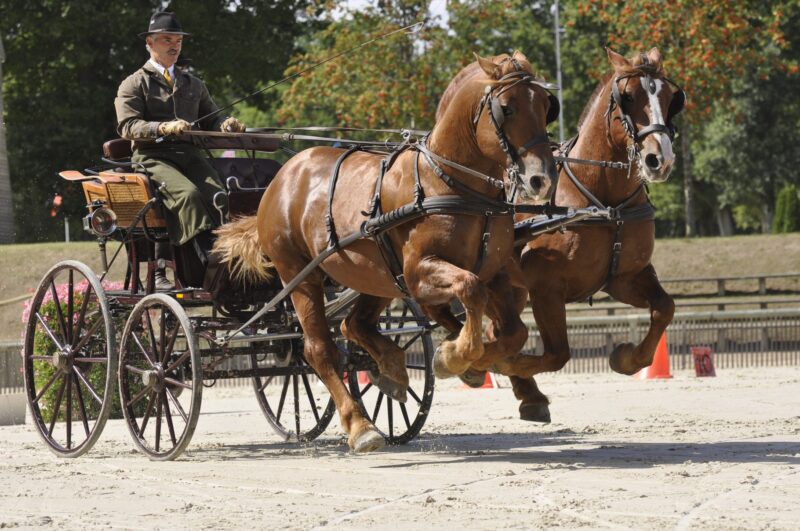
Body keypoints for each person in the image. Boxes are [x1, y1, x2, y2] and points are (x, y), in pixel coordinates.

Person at [114, 11, 245, 289]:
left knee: (221, 197)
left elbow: (212, 117)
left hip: (190, 156)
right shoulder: (135, 83)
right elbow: (128, 126)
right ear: (150, 42)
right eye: (166, 40)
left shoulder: (194, 84)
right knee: (189, 195)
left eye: (178, 41)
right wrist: (161, 128)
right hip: (152, 157)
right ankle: (200, 270)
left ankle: (229, 263)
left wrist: (226, 123)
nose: (174, 45)